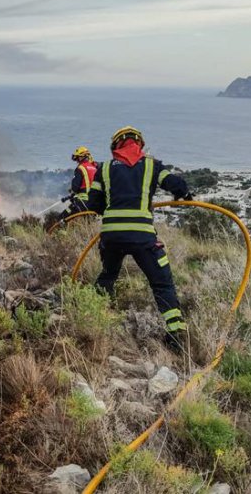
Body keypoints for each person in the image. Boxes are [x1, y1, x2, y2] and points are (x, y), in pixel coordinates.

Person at [87, 126, 193, 349]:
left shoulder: (104, 168)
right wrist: (184, 193)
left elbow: (94, 203)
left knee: (108, 275)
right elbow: (176, 183)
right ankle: (175, 336)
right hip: (143, 237)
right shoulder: (152, 166)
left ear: (116, 145)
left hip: (112, 237)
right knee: (162, 283)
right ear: (139, 144)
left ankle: (90, 321)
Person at [58, 146, 98, 221]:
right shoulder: (94, 168)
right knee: (88, 223)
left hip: (82, 202)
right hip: (94, 204)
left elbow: (75, 188)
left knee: (62, 218)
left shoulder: (80, 168)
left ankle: (60, 232)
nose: (77, 161)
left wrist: (72, 192)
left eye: (77, 158)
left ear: (82, 157)